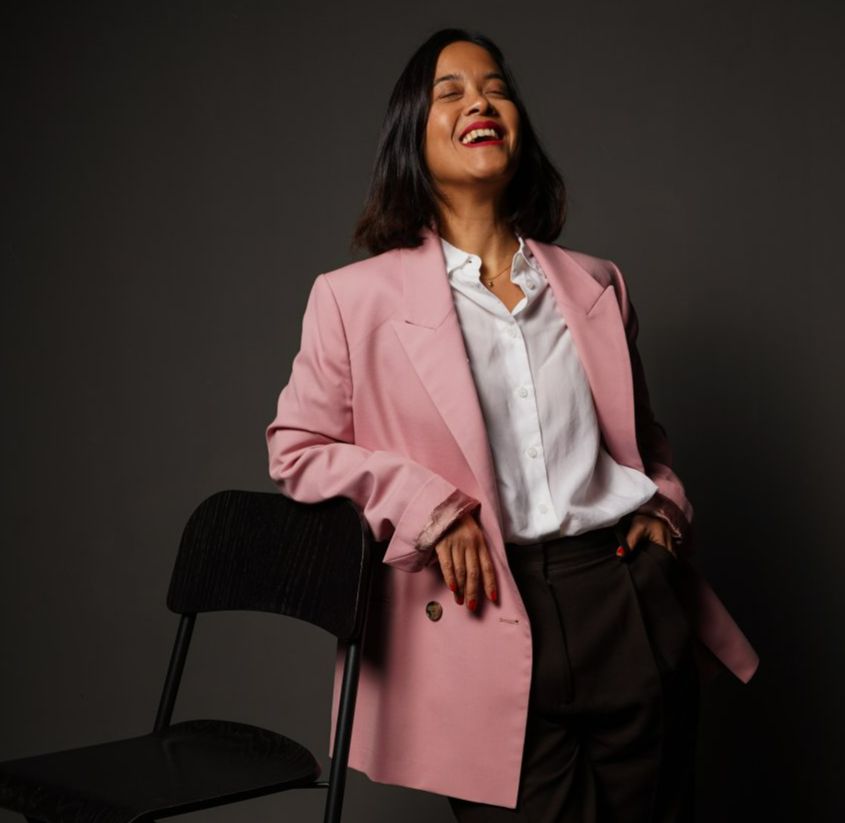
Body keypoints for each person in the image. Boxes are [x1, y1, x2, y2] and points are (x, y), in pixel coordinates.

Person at [265, 27, 759, 821]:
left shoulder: (596, 284)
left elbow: (640, 443)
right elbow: (296, 450)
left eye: (495, 88)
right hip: (479, 614)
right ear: (411, 135)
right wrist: (428, 505)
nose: (480, 103)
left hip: (623, 596)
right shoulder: (352, 299)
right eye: (451, 92)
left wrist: (663, 512)